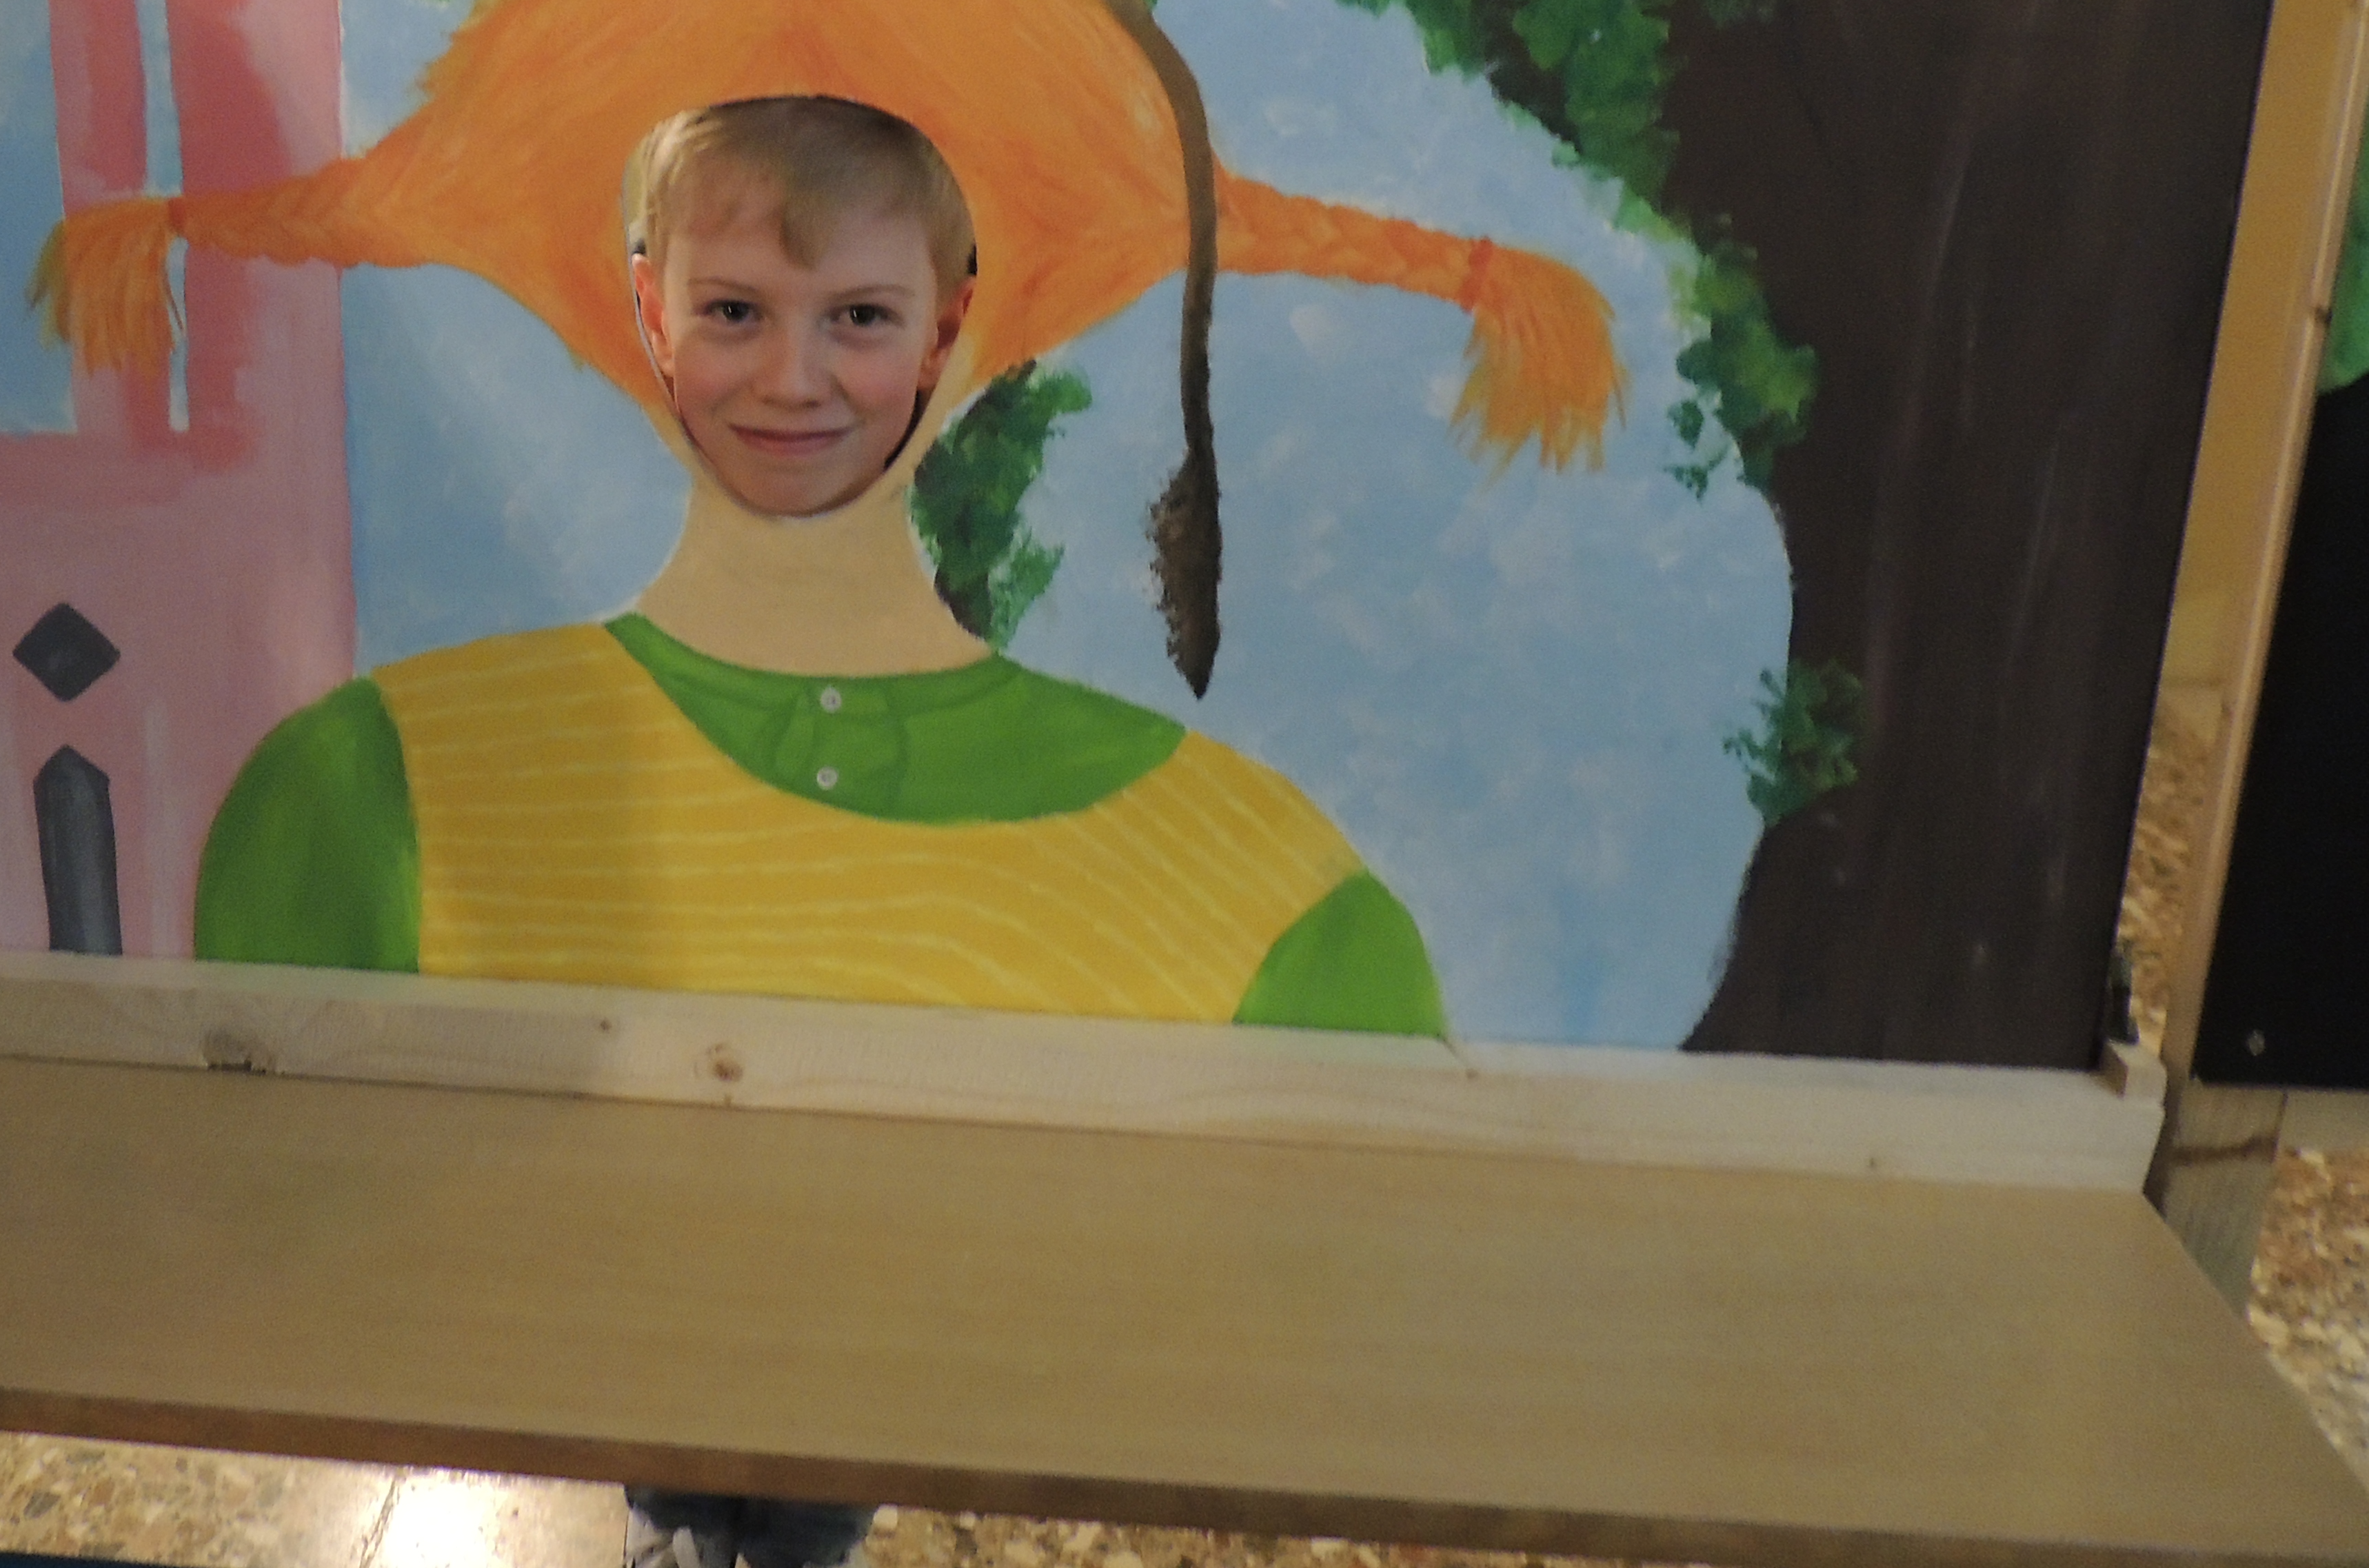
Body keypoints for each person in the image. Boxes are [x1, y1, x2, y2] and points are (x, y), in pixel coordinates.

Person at [196, 97, 1440, 1568]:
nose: (793, 380)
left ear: (944, 329)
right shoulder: (374, 778)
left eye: (857, 316)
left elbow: (1354, 1270)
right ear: (651, 312)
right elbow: (286, 1211)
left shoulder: (1258, 874)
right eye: (735, 311)